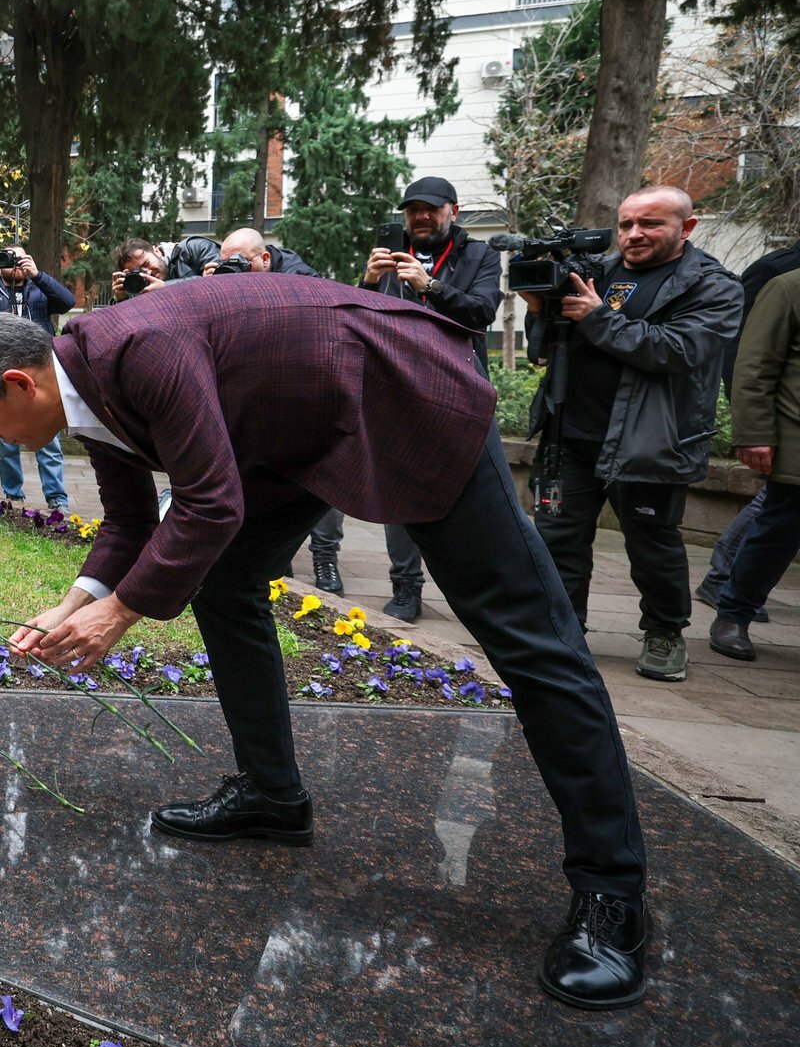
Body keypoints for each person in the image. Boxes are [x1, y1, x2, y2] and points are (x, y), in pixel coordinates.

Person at [0, 290, 651, 1010]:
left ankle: (612, 896)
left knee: (533, 642)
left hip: (404, 399)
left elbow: (210, 501)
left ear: (22, 383)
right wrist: (73, 605)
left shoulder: (139, 351)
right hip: (295, 434)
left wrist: (121, 612)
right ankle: (273, 795)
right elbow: (130, 519)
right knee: (222, 575)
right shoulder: (86, 382)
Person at [522, 187, 742, 684]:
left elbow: (679, 350)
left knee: (652, 545)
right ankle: (563, 633)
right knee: (558, 542)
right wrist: (541, 308)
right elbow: (549, 350)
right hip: (570, 436)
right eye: (625, 224)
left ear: (687, 227)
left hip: (650, 441)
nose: (633, 235)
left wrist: (599, 317)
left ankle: (664, 632)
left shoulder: (714, 286)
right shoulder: (598, 270)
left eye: (650, 224)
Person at [320, 175, 504, 621]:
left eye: (432, 209)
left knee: (480, 494)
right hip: (397, 386)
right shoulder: (389, 254)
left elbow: (482, 312)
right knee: (399, 491)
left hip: (461, 385)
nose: (421, 217)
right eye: (413, 210)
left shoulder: (479, 255)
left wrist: (432, 286)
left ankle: (485, 589)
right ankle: (407, 588)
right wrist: (365, 282)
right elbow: (355, 317)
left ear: (453, 212)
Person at [695, 237, 800, 617]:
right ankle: (723, 579)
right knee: (779, 508)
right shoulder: (778, 270)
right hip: (783, 418)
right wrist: (753, 423)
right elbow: (743, 351)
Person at [0, 247, 75, 512]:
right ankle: (13, 496)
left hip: (41, 374)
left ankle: (57, 498)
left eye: (18, 257)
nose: (13, 264)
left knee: (49, 440)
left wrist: (38, 275)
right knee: (6, 439)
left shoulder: (39, 291)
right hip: (4, 375)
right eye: (6, 259)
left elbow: (68, 301)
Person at [207, 228, 318, 277]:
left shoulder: (300, 277)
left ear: (265, 259)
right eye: (226, 263)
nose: (232, 270)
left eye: (238, 263)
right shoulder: (227, 272)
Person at [109, 238, 169, 303]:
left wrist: (166, 287)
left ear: (156, 251)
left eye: (146, 264)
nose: (148, 273)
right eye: (139, 272)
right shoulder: (139, 287)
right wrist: (121, 299)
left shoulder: (180, 257)